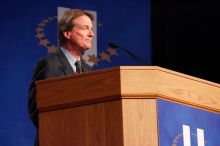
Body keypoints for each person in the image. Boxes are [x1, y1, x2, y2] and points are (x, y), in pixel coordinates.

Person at [28, 9, 94, 146]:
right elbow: (37, 111)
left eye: (91, 29)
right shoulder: (49, 65)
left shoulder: (88, 70)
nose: (91, 34)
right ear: (67, 33)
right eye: (85, 28)